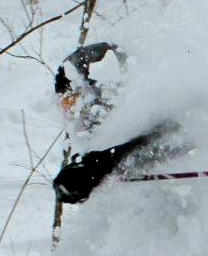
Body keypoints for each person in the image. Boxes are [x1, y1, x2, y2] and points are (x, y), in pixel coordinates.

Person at [51, 42, 180, 206]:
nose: (66, 107)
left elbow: (109, 157)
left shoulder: (107, 105)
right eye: (64, 101)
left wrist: (88, 174)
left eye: (67, 99)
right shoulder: (87, 120)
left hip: (173, 130)